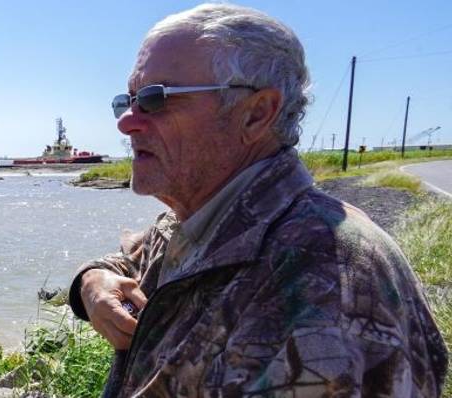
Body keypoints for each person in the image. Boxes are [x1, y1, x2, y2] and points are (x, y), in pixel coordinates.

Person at [67, 4, 447, 396]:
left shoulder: (324, 278)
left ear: (256, 114)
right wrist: (91, 284)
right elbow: (134, 257)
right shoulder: (200, 219)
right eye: (127, 100)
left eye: (155, 98)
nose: (127, 121)